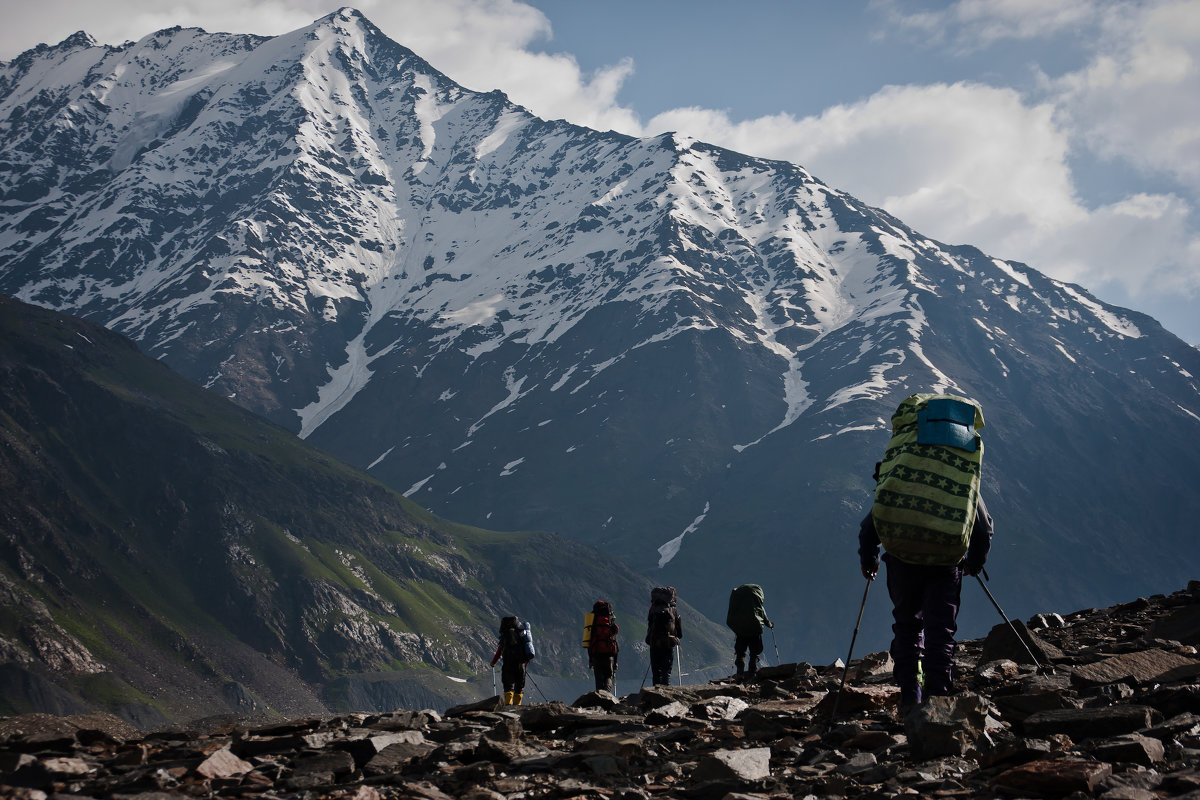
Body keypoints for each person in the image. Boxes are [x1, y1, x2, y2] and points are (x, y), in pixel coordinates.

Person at [860, 485, 994, 714]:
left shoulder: (903, 471)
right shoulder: (960, 475)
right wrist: (975, 561)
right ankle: (937, 700)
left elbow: (871, 524)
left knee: (907, 625)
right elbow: (983, 528)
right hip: (945, 562)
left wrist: (869, 558)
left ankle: (911, 697)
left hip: (902, 560)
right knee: (940, 631)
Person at [726, 584, 773, 679]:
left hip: (741, 629)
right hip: (755, 628)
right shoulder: (757, 605)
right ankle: (752, 672)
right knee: (755, 651)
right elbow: (765, 618)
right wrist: (770, 625)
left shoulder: (738, 604)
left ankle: (740, 673)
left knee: (740, 651)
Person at [490, 616, 533, 705]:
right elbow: (527, 651)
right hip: (521, 664)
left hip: (508, 664)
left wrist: (493, 663)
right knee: (519, 686)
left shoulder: (505, 636)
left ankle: (508, 705)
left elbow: (499, 652)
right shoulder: (521, 634)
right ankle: (517, 706)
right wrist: (525, 663)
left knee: (508, 685)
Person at [645, 586, 682, 686]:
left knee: (656, 671)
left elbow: (649, 625)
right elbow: (679, 631)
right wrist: (676, 637)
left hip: (654, 642)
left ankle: (655, 693)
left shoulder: (652, 609)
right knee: (666, 671)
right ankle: (666, 693)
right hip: (668, 643)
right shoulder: (673, 610)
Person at [586, 600, 620, 693]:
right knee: (608, 676)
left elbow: (589, 643)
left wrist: (590, 660)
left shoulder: (593, 624)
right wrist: (616, 661)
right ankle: (607, 695)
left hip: (596, 654)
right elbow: (615, 642)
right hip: (608, 655)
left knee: (599, 679)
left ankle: (600, 698)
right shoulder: (610, 623)